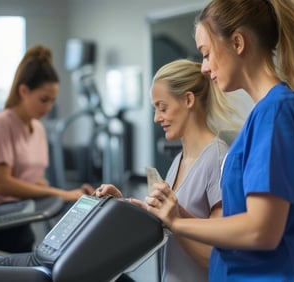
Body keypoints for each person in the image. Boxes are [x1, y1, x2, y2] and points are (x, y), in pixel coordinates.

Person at [148, 0, 294, 281]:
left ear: (238, 43)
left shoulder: (275, 113)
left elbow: (260, 230)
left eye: (206, 54)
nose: (203, 68)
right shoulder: (267, 114)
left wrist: (178, 224)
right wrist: (178, 214)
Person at [95, 59, 243, 282]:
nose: (156, 118)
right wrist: (124, 206)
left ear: (188, 99)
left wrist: (175, 221)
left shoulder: (218, 158)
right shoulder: (178, 161)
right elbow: (169, 222)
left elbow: (216, 257)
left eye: (162, 107)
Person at [0, 44, 94, 253]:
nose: (48, 107)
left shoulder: (38, 128)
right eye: (43, 99)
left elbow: (34, 179)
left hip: (20, 217)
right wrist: (61, 194)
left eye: (52, 101)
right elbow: (2, 183)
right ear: (24, 91)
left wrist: (73, 193)